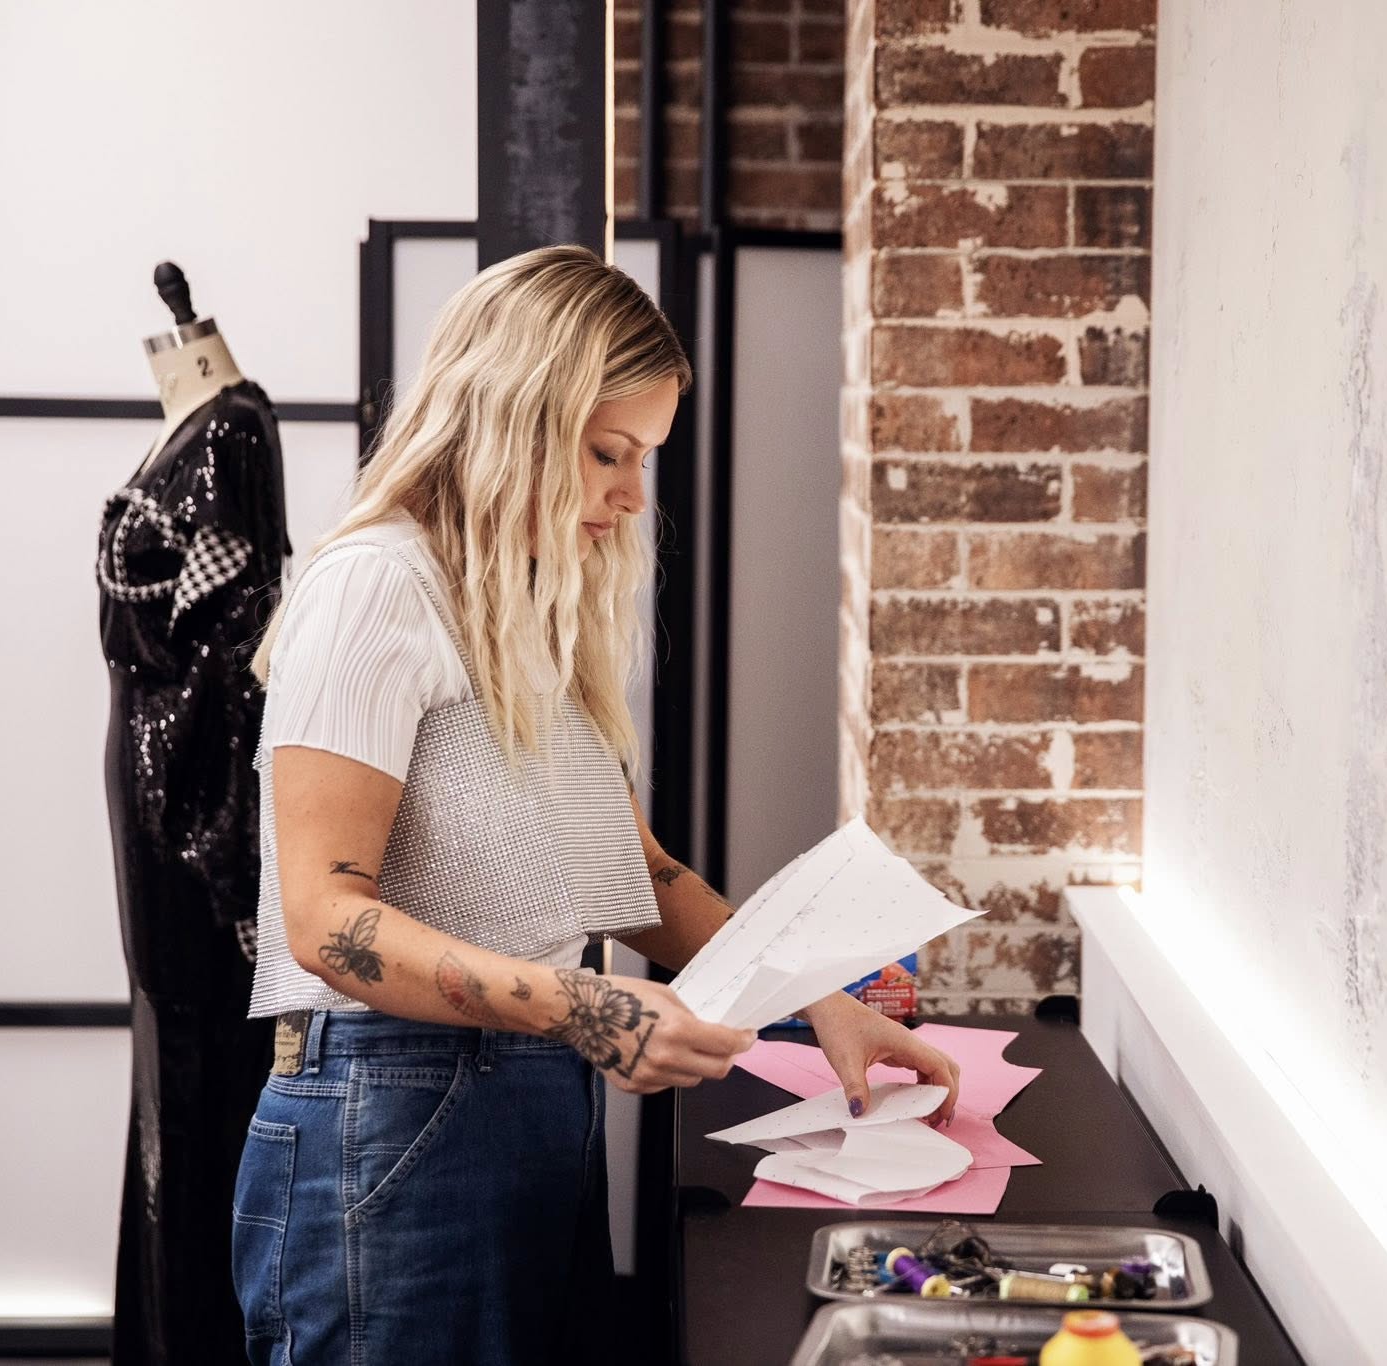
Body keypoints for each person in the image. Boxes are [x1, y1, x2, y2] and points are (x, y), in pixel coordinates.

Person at [228, 244, 962, 1366]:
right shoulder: (376, 585)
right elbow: (327, 923)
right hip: (385, 1116)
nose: (630, 497)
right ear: (509, 417)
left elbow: (634, 873)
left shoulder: (526, 605)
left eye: (644, 459)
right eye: (607, 452)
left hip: (524, 1102)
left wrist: (815, 999)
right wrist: (583, 1008)